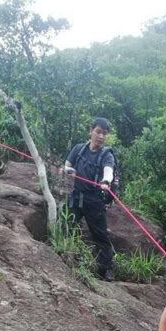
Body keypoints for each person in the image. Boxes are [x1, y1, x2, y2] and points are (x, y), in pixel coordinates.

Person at [63, 117, 115, 281]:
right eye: (98, 132)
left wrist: (106, 181)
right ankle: (65, 254)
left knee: (100, 235)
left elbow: (109, 171)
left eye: (104, 134)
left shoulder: (107, 155)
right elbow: (67, 165)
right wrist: (67, 171)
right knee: (66, 224)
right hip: (77, 196)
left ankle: (106, 269)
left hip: (94, 201)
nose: (101, 136)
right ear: (91, 131)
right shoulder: (79, 149)